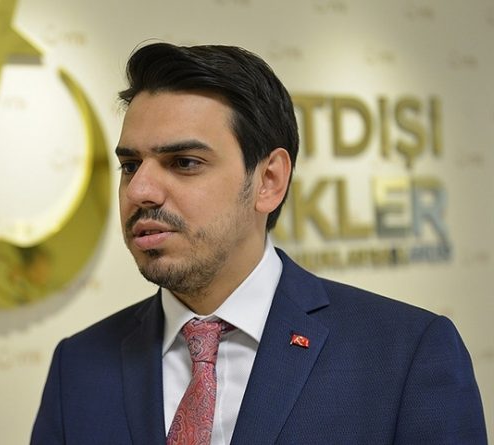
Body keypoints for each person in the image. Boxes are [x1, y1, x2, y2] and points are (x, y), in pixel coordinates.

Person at [31, 42, 486, 444]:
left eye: (184, 162)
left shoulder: (404, 355)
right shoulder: (79, 367)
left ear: (269, 181)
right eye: (130, 166)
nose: (139, 190)